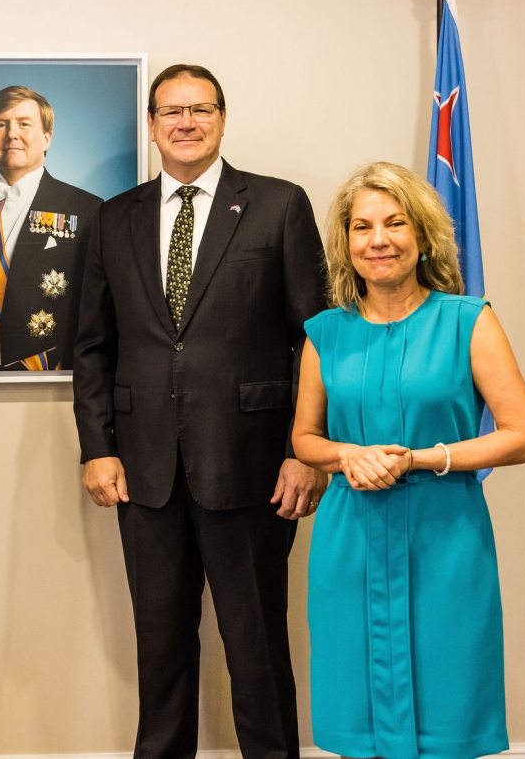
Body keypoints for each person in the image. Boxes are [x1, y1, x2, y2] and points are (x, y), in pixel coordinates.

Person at [72, 64, 327, 759]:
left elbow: (315, 339)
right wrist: (98, 447)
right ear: (151, 125)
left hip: (252, 469)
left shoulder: (277, 205)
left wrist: (304, 451)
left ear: (222, 118)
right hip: (145, 472)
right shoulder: (114, 217)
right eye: (171, 111)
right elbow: (92, 346)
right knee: (159, 649)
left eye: (200, 109)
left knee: (256, 649)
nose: (186, 122)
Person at [292, 161, 525, 759]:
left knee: (448, 708)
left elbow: (523, 436)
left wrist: (421, 459)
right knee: (358, 717)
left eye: (395, 223)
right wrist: (347, 454)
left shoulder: (469, 320)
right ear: (346, 243)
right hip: (349, 543)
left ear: (423, 235)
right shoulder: (324, 333)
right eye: (362, 227)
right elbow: (305, 439)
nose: (378, 240)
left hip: (446, 540)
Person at [0, 86, 101, 371]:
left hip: (45, 371)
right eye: (0, 125)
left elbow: (95, 307)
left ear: (47, 137)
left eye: (24, 124)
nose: (12, 134)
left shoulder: (86, 208)